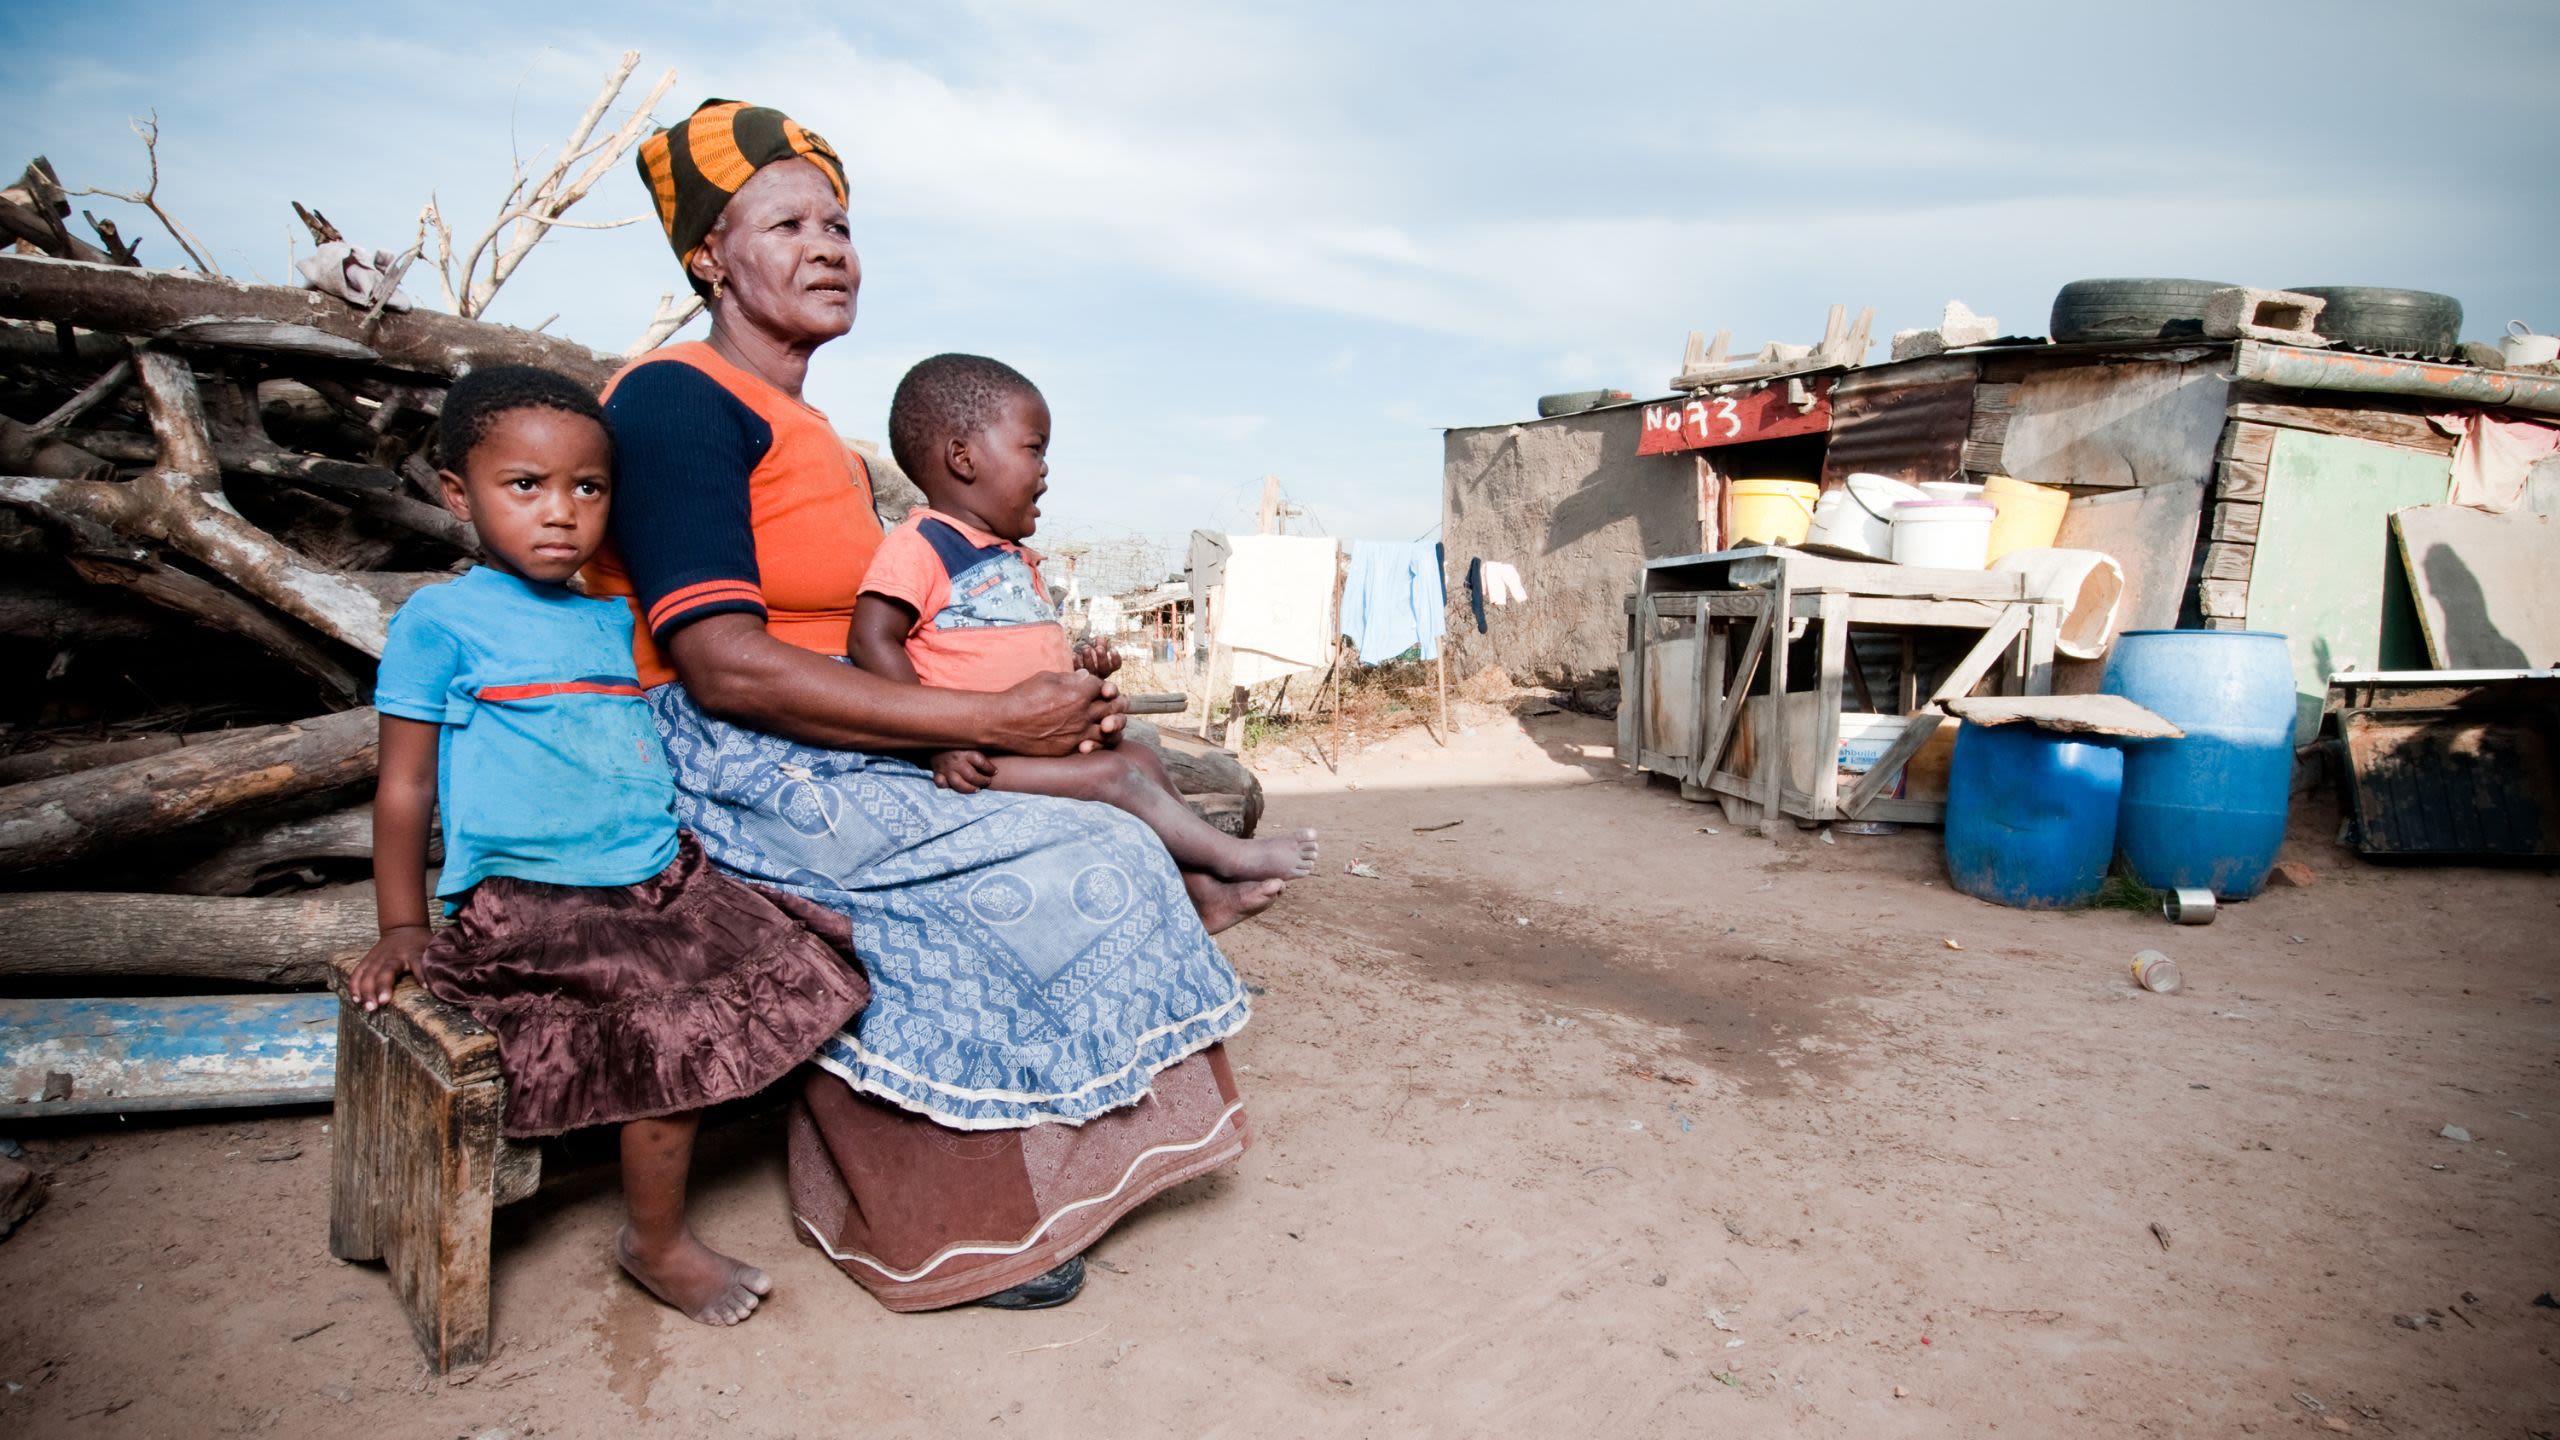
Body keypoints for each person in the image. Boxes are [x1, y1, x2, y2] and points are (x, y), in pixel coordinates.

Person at [584, 99, 1265, 1312]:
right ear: (707, 258)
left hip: (828, 733)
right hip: (729, 755)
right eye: (786, 222)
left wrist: (1032, 704)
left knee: (1106, 818)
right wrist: (984, 728)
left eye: (839, 222)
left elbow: (892, 636)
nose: (829, 244)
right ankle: (939, 1218)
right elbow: (723, 664)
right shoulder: (676, 398)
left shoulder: (824, 445)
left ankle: (1039, 1172)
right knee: (1044, 866)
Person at [352, 365, 869, 1328]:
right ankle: (656, 1242)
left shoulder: (607, 615)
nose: (562, 514)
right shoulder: (439, 623)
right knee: (666, 1038)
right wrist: (399, 923)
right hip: (534, 901)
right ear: (456, 494)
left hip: (654, 878)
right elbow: (405, 786)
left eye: (587, 489)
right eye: (526, 487)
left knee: (808, 949)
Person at [849, 353, 1319, 890]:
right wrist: (934, 740)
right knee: (1114, 775)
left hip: (1033, 743)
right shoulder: (921, 544)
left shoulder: (1010, 557)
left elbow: (998, 651)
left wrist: (1079, 667)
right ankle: (1230, 858)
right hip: (981, 757)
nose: (1045, 470)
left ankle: (1196, 890)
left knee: (1142, 757)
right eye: (1034, 448)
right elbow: (871, 638)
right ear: (963, 457)